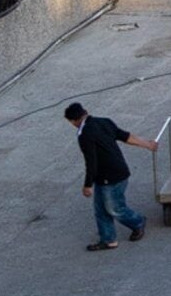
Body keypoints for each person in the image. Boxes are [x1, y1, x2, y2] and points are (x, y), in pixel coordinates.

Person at [67, 102, 157, 251]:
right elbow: (125, 136)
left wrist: (87, 184)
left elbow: (91, 161)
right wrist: (147, 144)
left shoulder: (84, 135)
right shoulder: (104, 121)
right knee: (101, 209)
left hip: (110, 177)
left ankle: (138, 222)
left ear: (73, 121)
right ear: (85, 112)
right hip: (119, 171)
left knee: (114, 208)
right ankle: (108, 239)